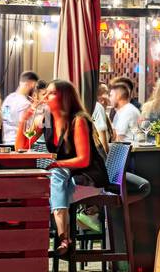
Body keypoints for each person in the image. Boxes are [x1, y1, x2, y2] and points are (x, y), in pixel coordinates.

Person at [14, 79, 108, 257]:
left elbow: (83, 160)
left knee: (51, 182)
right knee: (42, 189)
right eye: (46, 93)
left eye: (52, 93)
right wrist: (23, 121)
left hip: (89, 178)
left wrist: (56, 164)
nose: (46, 96)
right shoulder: (48, 119)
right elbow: (22, 146)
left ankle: (62, 237)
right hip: (67, 181)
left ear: (65, 97)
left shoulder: (78, 120)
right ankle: (50, 240)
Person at [1, 71, 39, 144]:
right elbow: (28, 128)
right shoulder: (25, 104)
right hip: (20, 143)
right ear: (32, 84)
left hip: (7, 141)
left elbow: (5, 119)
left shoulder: (8, 99)